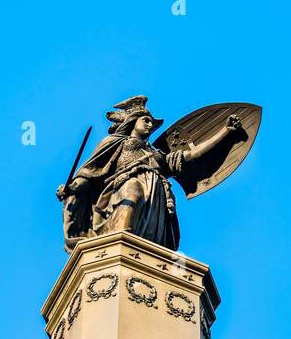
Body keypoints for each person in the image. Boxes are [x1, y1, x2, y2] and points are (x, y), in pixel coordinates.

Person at [58, 95, 242, 251]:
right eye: (145, 120)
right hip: (127, 183)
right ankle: (120, 247)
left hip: (157, 196)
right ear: (132, 122)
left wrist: (225, 132)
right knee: (133, 193)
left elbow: (192, 155)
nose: (149, 124)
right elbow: (90, 172)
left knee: (149, 237)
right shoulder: (116, 142)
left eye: (151, 122)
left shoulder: (158, 155)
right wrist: (72, 188)